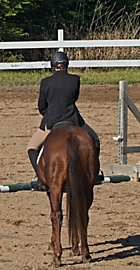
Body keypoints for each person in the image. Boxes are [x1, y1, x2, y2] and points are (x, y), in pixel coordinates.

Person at [27, 51, 100, 187]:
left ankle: (40, 178)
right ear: (66, 64)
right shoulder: (75, 79)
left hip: (51, 121)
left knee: (32, 146)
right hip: (73, 120)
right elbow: (74, 98)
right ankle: (93, 173)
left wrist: (50, 115)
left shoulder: (45, 82)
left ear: (52, 66)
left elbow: (42, 106)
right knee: (94, 139)